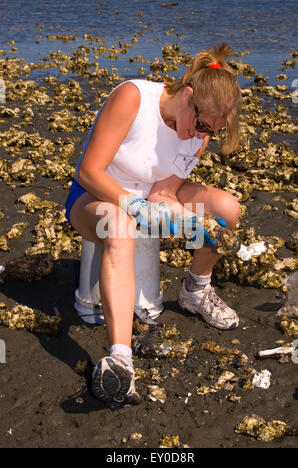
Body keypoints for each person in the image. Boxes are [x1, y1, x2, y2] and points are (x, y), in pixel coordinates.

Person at [65, 43, 242, 409]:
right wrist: (133, 204)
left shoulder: (198, 135)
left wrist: (187, 221)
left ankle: (196, 290)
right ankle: (120, 358)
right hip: (94, 197)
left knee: (227, 208)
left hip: (148, 199)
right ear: (188, 95)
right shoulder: (133, 98)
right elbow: (88, 171)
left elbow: (163, 193)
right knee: (120, 225)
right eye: (203, 123)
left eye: (212, 130)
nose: (202, 134)